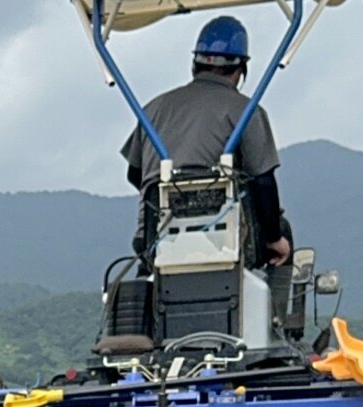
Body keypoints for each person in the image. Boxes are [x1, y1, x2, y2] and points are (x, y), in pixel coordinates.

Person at [122, 17, 292, 266]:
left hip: (156, 238)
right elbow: (263, 181)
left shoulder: (153, 109)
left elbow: (134, 174)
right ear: (240, 70)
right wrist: (274, 237)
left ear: (195, 65)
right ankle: (277, 305)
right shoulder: (246, 110)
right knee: (282, 230)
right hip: (223, 241)